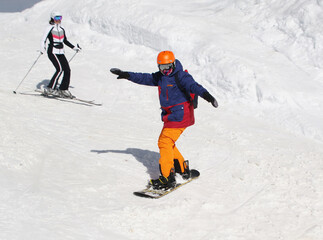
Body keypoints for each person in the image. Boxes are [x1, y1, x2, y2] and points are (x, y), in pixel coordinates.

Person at [110, 50, 218, 190]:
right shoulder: (161, 76)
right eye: (162, 68)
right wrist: (127, 75)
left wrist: (208, 96)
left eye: (168, 67)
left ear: (173, 64)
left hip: (181, 115)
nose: (165, 71)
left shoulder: (181, 76)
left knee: (164, 142)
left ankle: (167, 178)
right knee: (168, 142)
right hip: (171, 116)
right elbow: (144, 78)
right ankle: (181, 169)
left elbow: (194, 86)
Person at [40, 11, 81, 98]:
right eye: (56, 18)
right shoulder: (49, 28)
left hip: (61, 51)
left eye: (60, 18)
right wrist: (42, 48)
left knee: (67, 70)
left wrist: (74, 48)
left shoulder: (62, 29)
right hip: (52, 51)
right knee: (59, 69)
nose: (58, 20)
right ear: (52, 19)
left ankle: (63, 89)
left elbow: (65, 41)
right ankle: (50, 88)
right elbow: (43, 39)